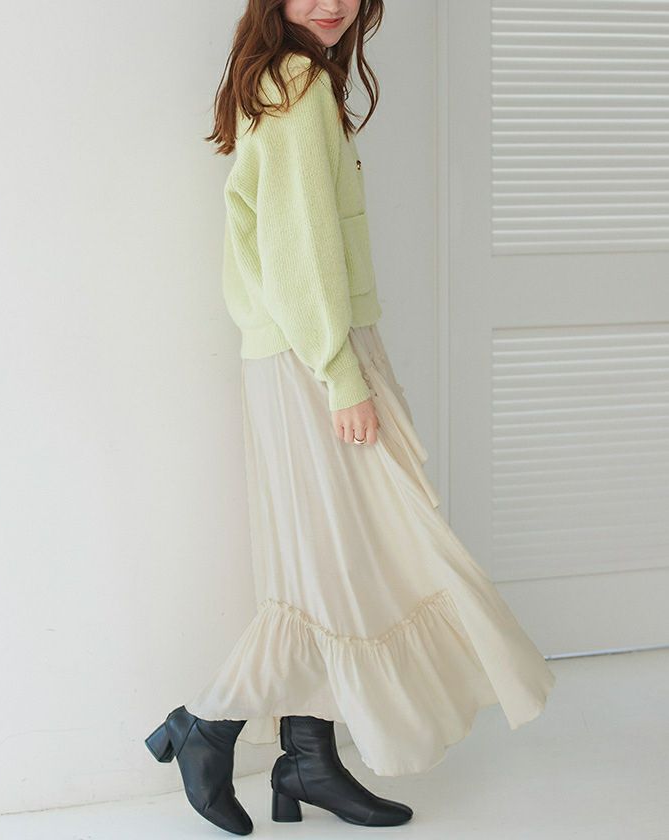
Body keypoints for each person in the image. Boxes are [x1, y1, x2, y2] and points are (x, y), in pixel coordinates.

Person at [144, 1, 556, 835]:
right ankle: (208, 722)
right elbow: (300, 251)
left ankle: (306, 758)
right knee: (362, 555)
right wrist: (341, 374)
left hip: (295, 353)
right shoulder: (296, 83)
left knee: (325, 564)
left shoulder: (281, 79)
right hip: (314, 356)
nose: (332, 3)